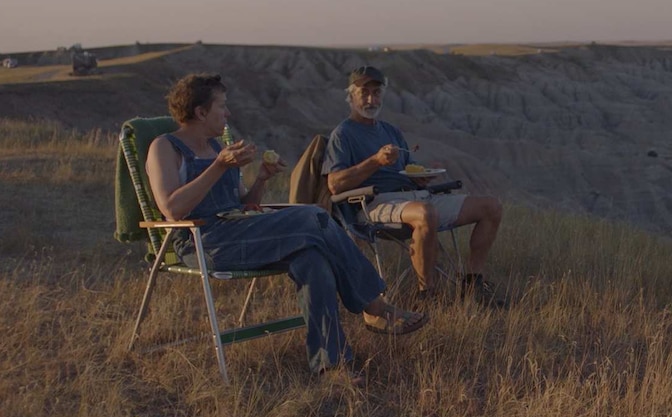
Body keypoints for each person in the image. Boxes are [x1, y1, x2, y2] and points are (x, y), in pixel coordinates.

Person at [146, 73, 428, 384]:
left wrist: (262, 179)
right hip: (204, 242)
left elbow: (244, 205)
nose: (228, 114)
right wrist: (219, 167)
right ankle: (373, 304)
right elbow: (171, 208)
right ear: (201, 112)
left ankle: (330, 366)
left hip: (240, 232)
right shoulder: (165, 148)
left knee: (312, 259)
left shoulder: (216, 148)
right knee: (314, 216)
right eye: (222, 107)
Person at [322, 66, 505, 308]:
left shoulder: (390, 131)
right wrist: (375, 161)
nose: (370, 99)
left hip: (414, 196)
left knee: (491, 206)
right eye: (364, 93)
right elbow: (335, 185)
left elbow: (408, 168)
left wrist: (422, 175)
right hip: (373, 203)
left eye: (376, 93)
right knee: (425, 213)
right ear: (351, 96)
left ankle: (473, 283)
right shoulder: (343, 134)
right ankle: (427, 295)